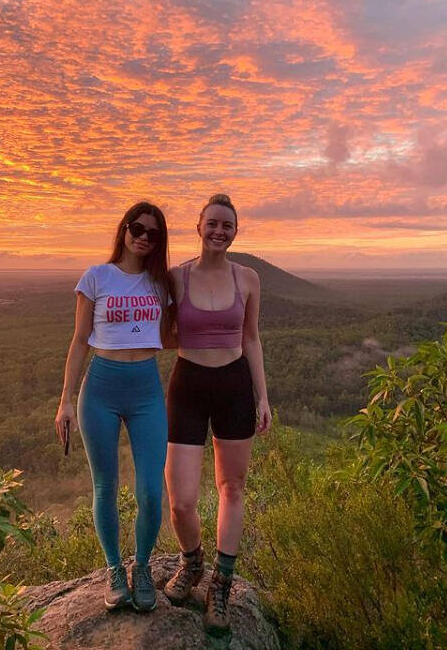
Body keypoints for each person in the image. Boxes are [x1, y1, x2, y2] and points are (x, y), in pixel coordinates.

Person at [163, 193, 272, 634]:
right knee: (182, 500)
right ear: (198, 226)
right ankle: (192, 563)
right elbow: (163, 334)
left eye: (228, 225)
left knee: (232, 487)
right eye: (213, 223)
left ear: (235, 231)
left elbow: (251, 339)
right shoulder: (175, 278)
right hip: (187, 385)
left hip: (234, 386)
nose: (219, 231)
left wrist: (262, 397)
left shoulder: (248, 279)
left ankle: (221, 584)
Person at [55, 202, 172, 612]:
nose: (142, 236)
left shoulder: (162, 284)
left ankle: (141, 566)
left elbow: (180, 330)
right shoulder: (97, 278)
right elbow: (79, 340)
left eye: (152, 233)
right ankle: (114, 569)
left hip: (146, 388)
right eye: (137, 228)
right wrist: (65, 400)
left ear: (159, 241)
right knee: (105, 486)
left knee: (151, 491)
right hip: (100, 387)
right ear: (124, 229)